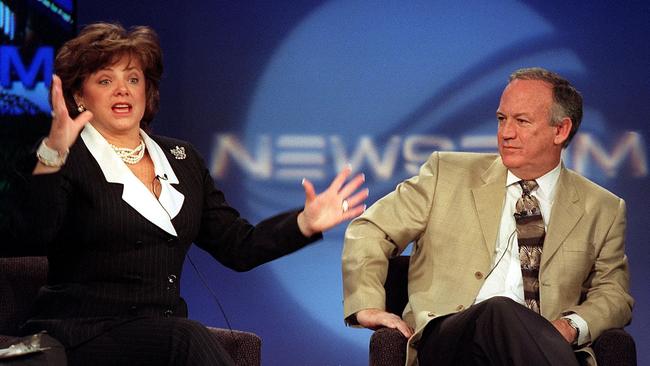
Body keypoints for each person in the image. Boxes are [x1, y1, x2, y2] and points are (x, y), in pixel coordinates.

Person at [9, 22, 368, 366]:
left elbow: (238, 246)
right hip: (81, 332)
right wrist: (54, 150)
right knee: (187, 339)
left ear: (146, 92)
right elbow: (31, 233)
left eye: (133, 79)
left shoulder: (182, 159)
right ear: (78, 96)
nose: (123, 90)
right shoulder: (60, 158)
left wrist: (303, 223)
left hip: (158, 332)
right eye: (105, 80)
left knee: (182, 337)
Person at [342, 67, 633, 365]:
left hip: (545, 345)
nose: (506, 133)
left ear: (560, 130)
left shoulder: (602, 208)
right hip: (451, 341)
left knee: (511, 318)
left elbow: (614, 294)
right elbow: (370, 229)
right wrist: (367, 305)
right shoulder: (446, 174)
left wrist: (571, 326)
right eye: (501, 119)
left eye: (521, 121)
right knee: (499, 310)